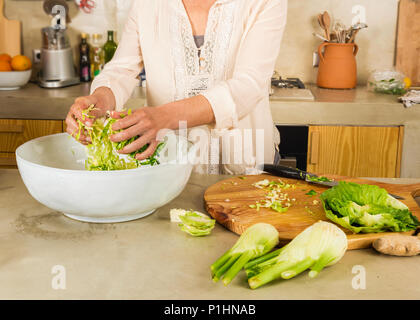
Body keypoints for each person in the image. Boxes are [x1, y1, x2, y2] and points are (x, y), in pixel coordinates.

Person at [66, 0, 288, 174]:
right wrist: (100, 99)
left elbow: (248, 85)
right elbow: (121, 70)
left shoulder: (264, 1)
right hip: (169, 170)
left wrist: (163, 116)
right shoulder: (147, 4)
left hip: (245, 167)